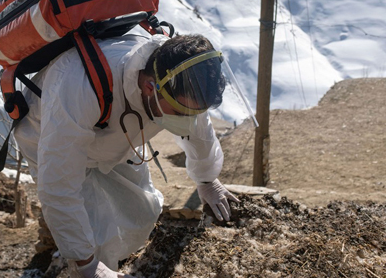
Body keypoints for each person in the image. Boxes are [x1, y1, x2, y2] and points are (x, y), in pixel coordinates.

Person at [13, 33, 243, 278]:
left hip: (116, 137)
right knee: (96, 236)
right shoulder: (78, 85)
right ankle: (70, 258)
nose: (188, 120)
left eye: (193, 113)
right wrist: (86, 262)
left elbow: (201, 130)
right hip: (50, 137)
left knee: (142, 212)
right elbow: (59, 185)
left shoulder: (179, 81)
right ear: (148, 86)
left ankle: (99, 257)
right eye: (180, 112)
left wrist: (207, 179)